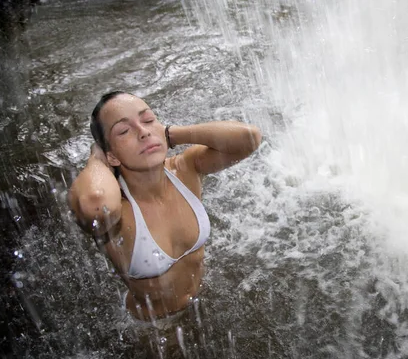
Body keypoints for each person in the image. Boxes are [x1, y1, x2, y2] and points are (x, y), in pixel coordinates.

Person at [68, 91, 262, 321]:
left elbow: (250, 138)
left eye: (148, 120)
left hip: (203, 295)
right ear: (112, 156)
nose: (143, 132)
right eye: (123, 131)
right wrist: (98, 158)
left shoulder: (185, 169)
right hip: (156, 325)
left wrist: (169, 135)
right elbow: (94, 206)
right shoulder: (118, 208)